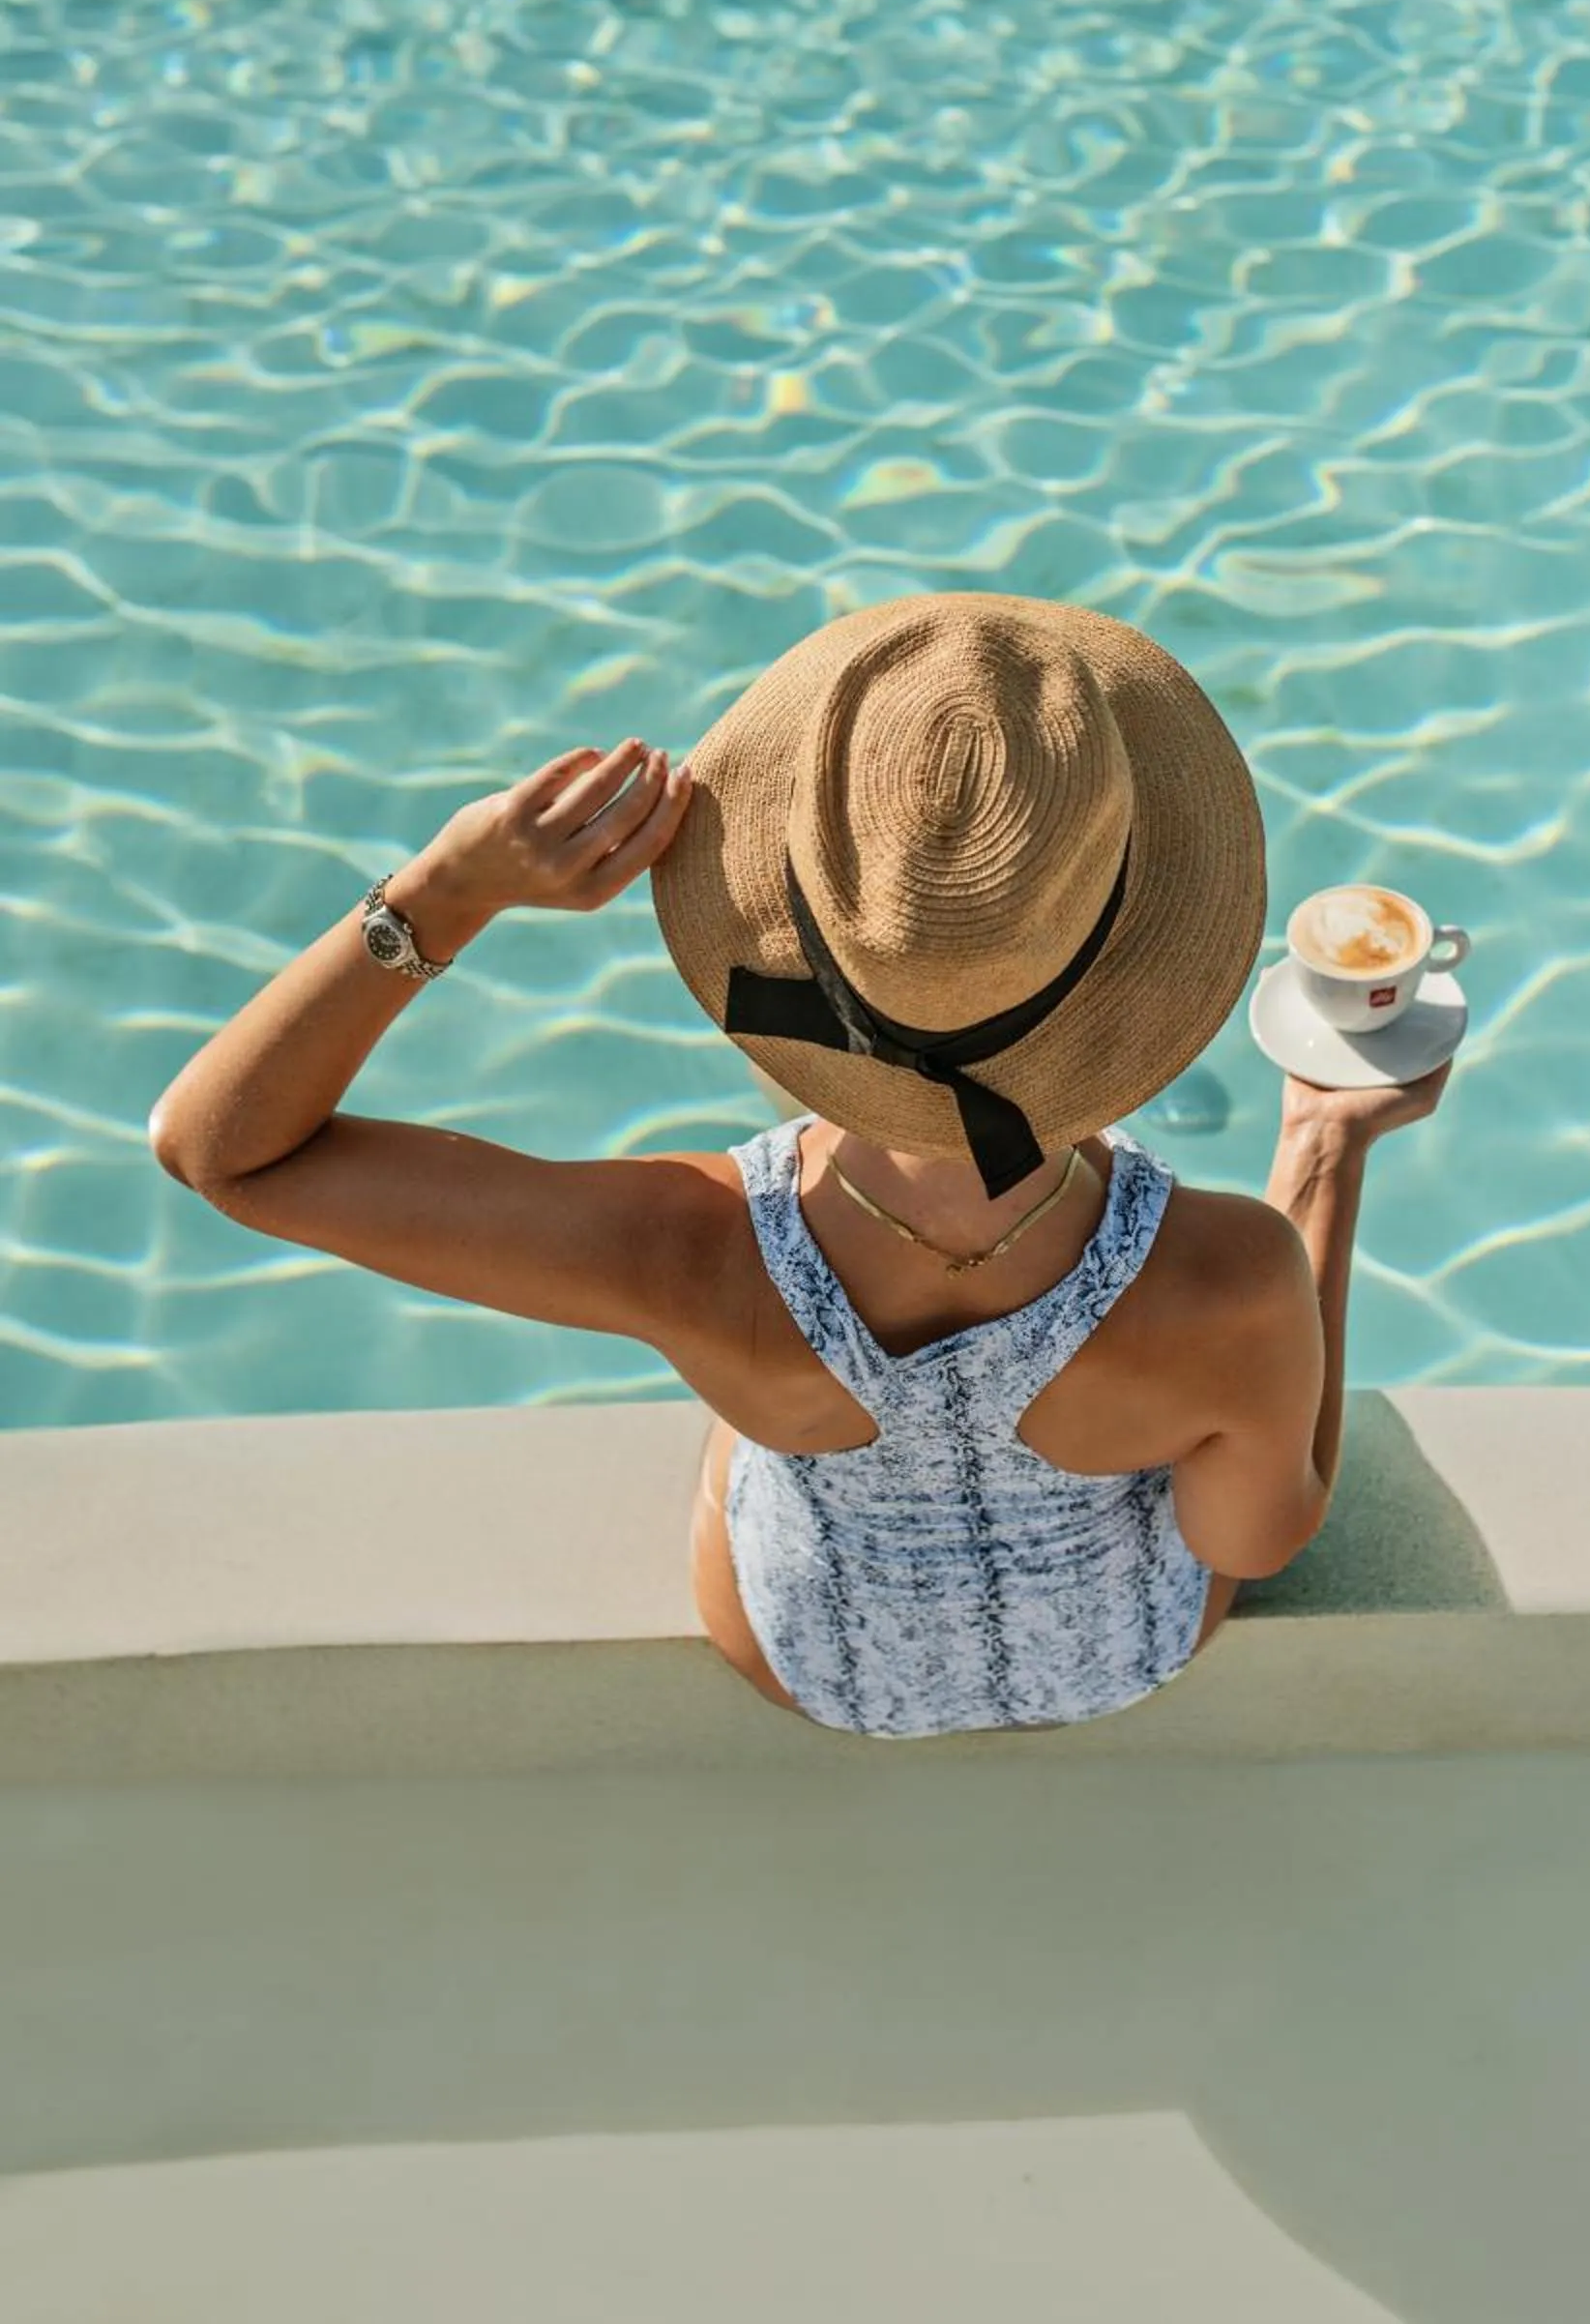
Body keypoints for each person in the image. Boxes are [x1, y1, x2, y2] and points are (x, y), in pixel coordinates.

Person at [150, 592, 1448, 1738]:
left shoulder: (684, 1247)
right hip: (1125, 1657)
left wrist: (444, 890)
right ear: (1129, 972)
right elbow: (1258, 1538)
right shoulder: (1226, 1271)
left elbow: (224, 1154)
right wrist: (1321, 1148)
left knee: (756, 1421)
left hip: (816, 1670)